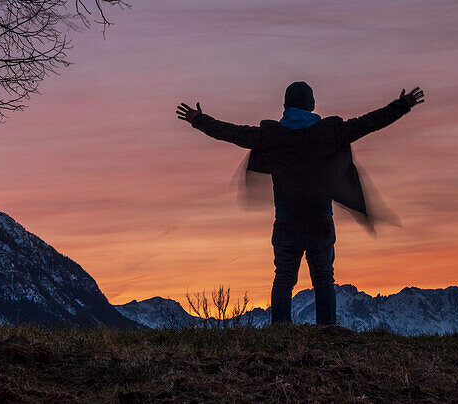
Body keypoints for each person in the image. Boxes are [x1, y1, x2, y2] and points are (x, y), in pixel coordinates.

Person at [177, 82, 425, 326]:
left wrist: (198, 119)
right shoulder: (330, 132)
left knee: (284, 278)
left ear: (285, 106)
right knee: (324, 279)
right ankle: (327, 330)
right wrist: (402, 105)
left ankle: (281, 331)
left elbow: (232, 132)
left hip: (287, 222)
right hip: (320, 220)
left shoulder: (272, 136)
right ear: (312, 105)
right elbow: (370, 122)